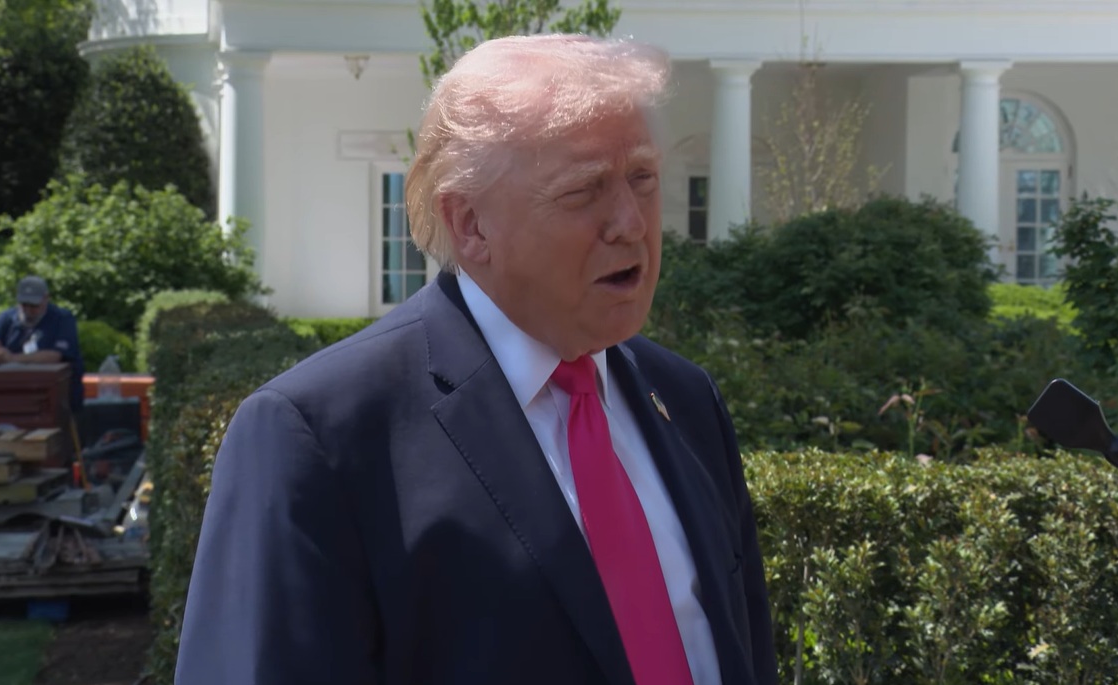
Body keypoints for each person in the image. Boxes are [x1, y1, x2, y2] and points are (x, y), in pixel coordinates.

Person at [176, 34, 778, 685]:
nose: (631, 223)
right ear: (470, 224)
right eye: (584, 190)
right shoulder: (318, 438)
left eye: (643, 179)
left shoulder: (686, 400)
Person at [0, 276, 84, 413]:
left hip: (57, 399)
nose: (28, 310)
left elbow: (55, 356)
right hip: (13, 396)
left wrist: (12, 358)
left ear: (46, 298)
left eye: (33, 305)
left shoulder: (62, 319)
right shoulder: (6, 319)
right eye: (24, 304)